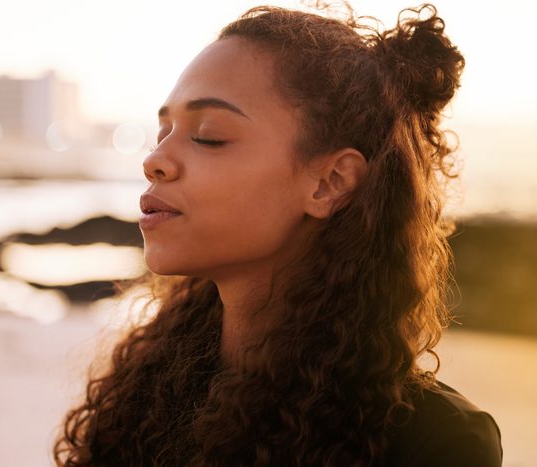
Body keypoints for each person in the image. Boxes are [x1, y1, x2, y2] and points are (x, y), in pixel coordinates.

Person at [54, 3, 503, 466]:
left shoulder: (435, 443)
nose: (154, 161)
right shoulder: (148, 392)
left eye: (208, 135)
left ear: (330, 183)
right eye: (163, 132)